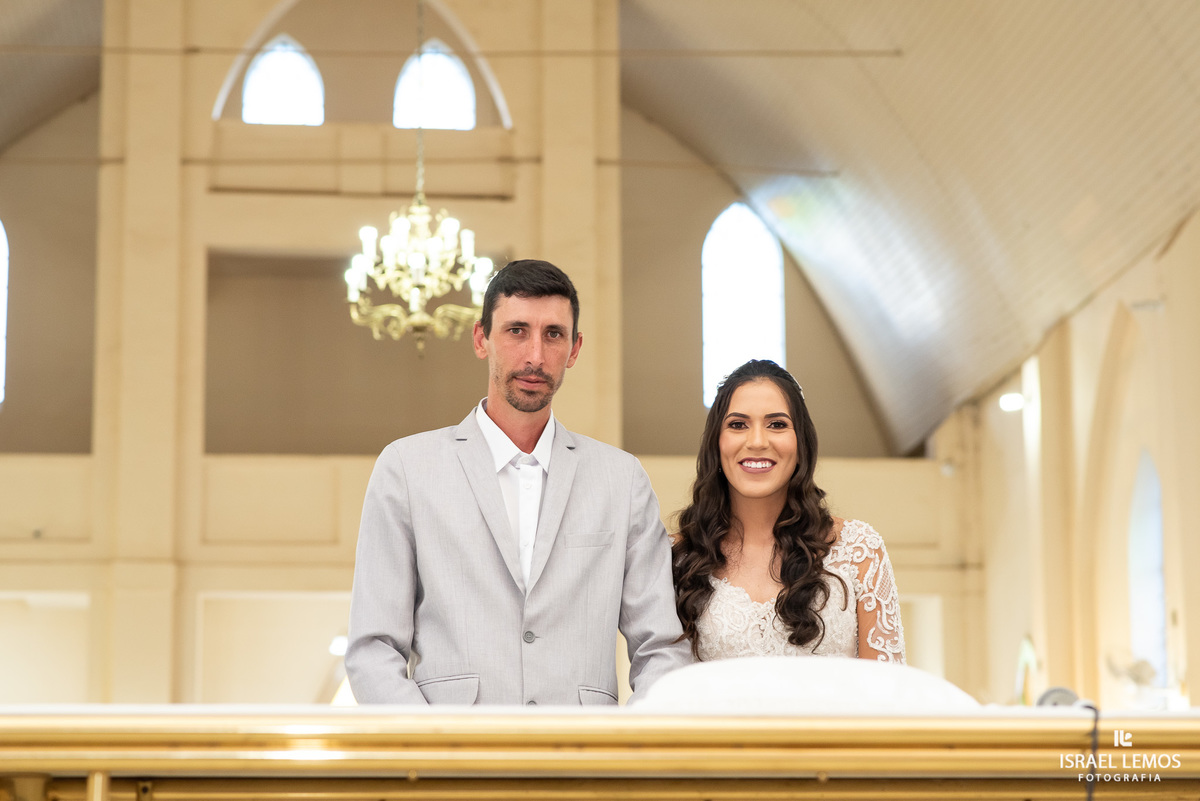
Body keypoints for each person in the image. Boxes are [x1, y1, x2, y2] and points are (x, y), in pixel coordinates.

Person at [346, 259, 692, 705]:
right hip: (452, 761)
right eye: (516, 331)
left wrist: (627, 753)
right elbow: (372, 649)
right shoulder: (406, 469)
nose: (535, 356)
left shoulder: (622, 479)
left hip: (585, 760)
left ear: (574, 348)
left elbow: (661, 647)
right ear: (481, 339)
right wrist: (431, 752)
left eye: (553, 334)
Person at [672, 359, 905, 663]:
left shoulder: (859, 551)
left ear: (801, 443)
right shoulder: (678, 558)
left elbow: (888, 692)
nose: (757, 441)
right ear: (716, 443)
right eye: (738, 425)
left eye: (777, 424)